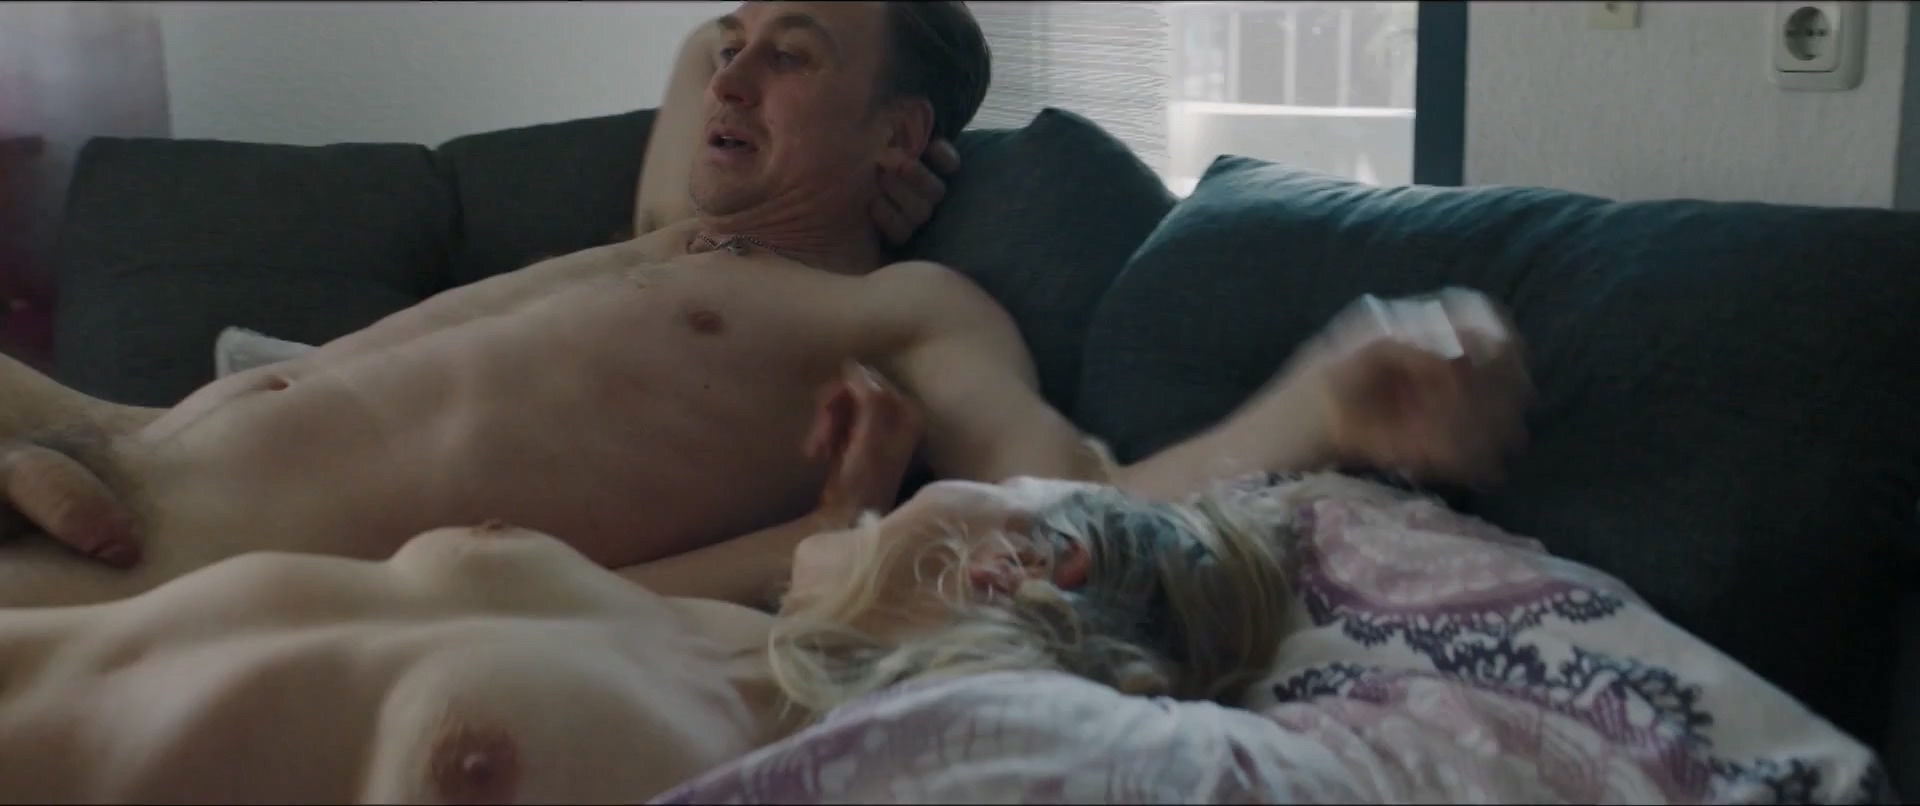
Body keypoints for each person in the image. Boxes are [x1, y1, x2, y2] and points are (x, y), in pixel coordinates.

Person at [0, 0, 1529, 608]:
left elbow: (1073, 496)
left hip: (171, 568)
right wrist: (791, 88)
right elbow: (701, 61)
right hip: (110, 433)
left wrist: (1318, 401)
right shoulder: (671, 240)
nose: (729, 71)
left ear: (901, 141)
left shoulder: (909, 306)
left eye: (789, 54)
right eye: (731, 40)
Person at [0, 374, 1306, 803]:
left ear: (1019, 563)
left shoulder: (751, 761)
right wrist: (837, 523)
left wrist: (1318, 406)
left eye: (974, 489)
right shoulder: (722, 639)